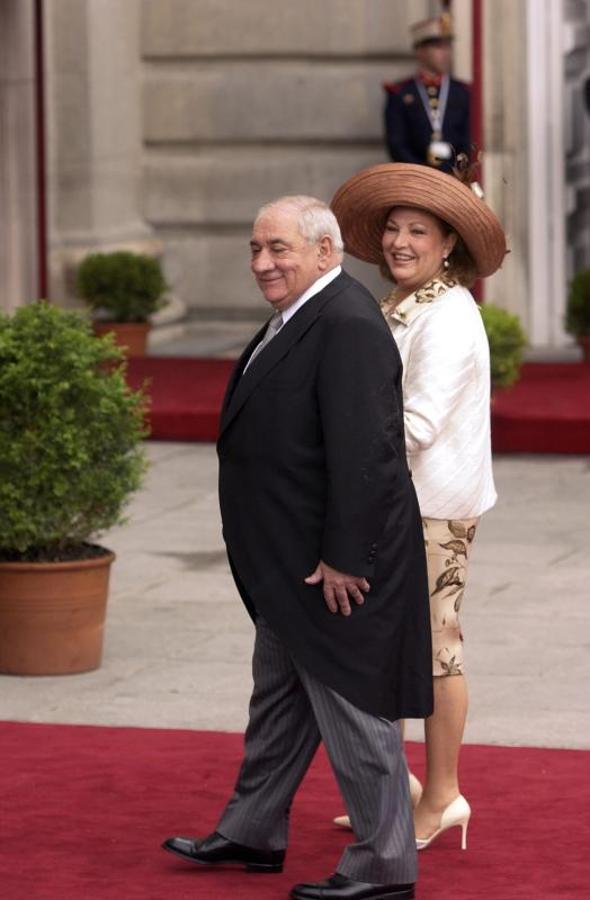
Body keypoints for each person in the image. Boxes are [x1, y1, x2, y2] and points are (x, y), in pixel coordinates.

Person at [162, 195, 433, 900]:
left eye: (278, 248)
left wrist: (346, 556)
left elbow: (369, 452)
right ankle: (253, 829)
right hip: (289, 564)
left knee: (353, 705)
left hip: (333, 569)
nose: (262, 263)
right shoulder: (303, 313)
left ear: (325, 251)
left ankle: (384, 864)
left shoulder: (345, 322)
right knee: (279, 698)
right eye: (256, 249)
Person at [330, 162, 507, 850]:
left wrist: (333, 442)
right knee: (388, 647)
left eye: (418, 232)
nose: (400, 242)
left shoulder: (449, 316)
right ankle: (393, 792)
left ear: (448, 244)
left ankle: (443, 796)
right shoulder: (403, 305)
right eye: (393, 229)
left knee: (437, 649)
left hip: (433, 507)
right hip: (395, 501)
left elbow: (418, 426)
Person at [384, 13, 470, 172]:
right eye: (438, 47)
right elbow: (397, 145)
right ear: (420, 51)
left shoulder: (462, 92)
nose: (446, 53)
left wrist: (456, 172)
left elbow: (468, 140)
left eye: (448, 47)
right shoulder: (400, 93)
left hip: (454, 177)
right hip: (415, 176)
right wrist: (422, 174)